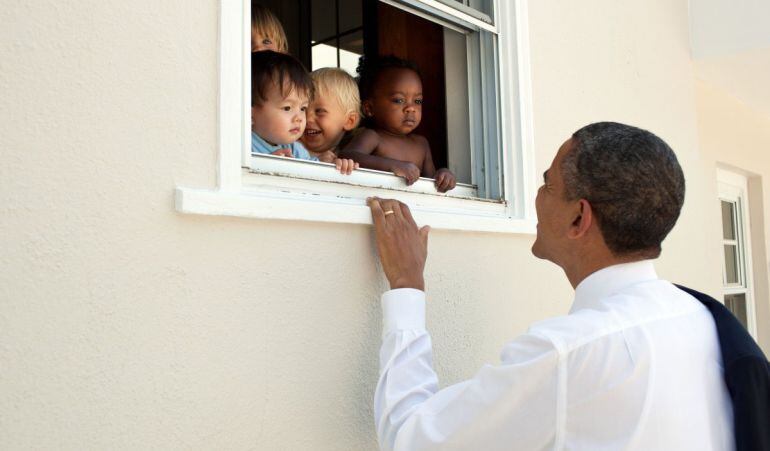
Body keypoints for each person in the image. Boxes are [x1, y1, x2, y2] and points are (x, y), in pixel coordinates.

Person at [366, 122, 734, 450]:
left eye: (548, 184)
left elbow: (410, 438)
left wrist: (406, 285)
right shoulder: (701, 318)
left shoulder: (568, 353)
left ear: (579, 218)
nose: (538, 197)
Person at [340, 56, 456, 192]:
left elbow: (431, 183)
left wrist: (443, 175)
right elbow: (347, 156)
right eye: (399, 100)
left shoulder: (421, 144)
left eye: (417, 101)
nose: (411, 108)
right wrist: (391, 165)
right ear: (369, 108)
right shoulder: (373, 137)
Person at [251, 51, 357, 175]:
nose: (300, 118)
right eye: (287, 108)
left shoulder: (295, 149)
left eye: (302, 108)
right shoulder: (241, 145)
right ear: (250, 114)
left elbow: (315, 177)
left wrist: (336, 166)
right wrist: (263, 166)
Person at [300, 68, 361, 163]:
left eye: (319, 111)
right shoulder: (286, 148)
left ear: (349, 121)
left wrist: (344, 168)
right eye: (303, 109)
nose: (307, 118)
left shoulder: (347, 157)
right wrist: (316, 162)